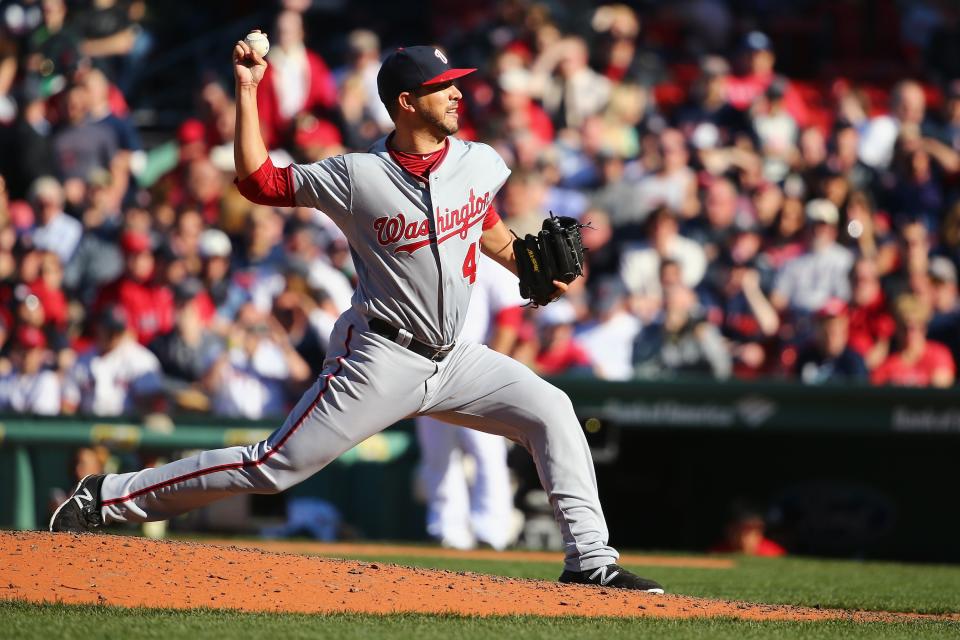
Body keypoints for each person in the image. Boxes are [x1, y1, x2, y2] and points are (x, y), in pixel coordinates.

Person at [49, 42, 664, 594]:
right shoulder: (357, 175)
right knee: (273, 466)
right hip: (381, 355)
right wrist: (246, 89)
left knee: (553, 410)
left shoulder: (476, 160)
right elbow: (259, 182)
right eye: (441, 87)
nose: (457, 93)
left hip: (456, 357)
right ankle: (104, 498)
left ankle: (590, 563)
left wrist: (526, 265)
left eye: (455, 83)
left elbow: (488, 229)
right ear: (405, 103)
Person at [415, 253, 522, 551]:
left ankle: (493, 529)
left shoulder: (489, 261)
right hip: (428, 364)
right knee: (438, 451)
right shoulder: (430, 255)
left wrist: (492, 367)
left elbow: (509, 318)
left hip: (473, 363)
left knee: (486, 450)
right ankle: (447, 528)